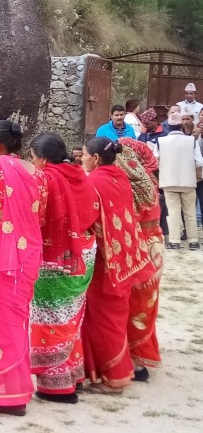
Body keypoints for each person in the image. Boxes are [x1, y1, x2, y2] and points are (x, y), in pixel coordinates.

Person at [0, 120, 46, 416]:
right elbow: (40, 215)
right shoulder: (38, 173)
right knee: (17, 316)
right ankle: (17, 391)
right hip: (28, 247)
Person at [28, 133, 100, 404]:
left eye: (33, 158)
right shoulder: (79, 174)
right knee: (71, 318)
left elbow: (36, 217)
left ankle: (56, 387)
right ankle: (73, 374)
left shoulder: (45, 179)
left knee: (51, 318)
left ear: (44, 160)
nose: (32, 163)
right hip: (84, 254)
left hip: (56, 258)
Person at [80, 137, 154, 394]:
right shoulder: (120, 176)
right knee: (116, 315)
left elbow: (86, 218)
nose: (82, 159)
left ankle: (114, 377)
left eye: (84, 155)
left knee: (104, 318)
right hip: (125, 256)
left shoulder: (93, 182)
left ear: (96, 158)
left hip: (106, 261)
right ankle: (114, 369)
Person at [115, 138, 163, 382]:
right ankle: (142, 352)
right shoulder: (149, 181)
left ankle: (135, 360)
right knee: (146, 302)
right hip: (156, 246)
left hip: (138, 247)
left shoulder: (129, 185)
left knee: (132, 303)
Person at [157, 112, 203, 249]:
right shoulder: (191, 141)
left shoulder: (161, 141)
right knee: (190, 212)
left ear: (168, 126)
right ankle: (193, 241)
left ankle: (174, 241)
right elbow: (199, 162)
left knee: (173, 212)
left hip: (168, 181)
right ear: (181, 125)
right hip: (188, 181)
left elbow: (155, 160)